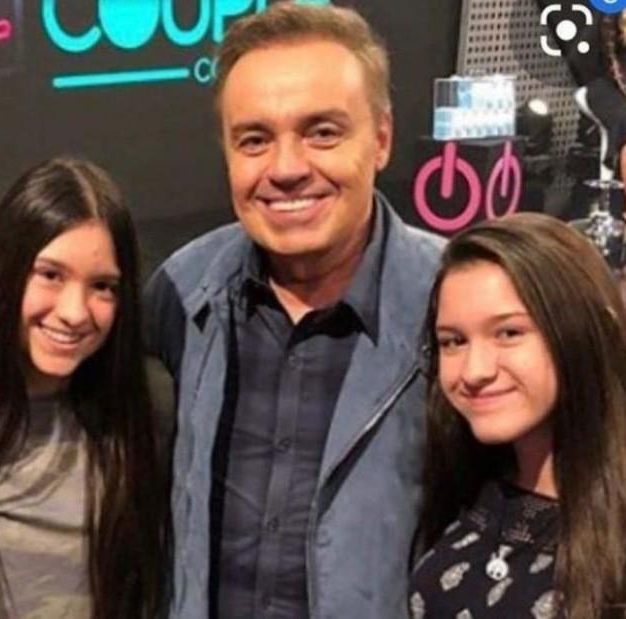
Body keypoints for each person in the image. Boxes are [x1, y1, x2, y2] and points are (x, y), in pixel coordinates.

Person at [144, 3, 444, 618]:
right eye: (254, 140)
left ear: (381, 139)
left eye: (322, 132)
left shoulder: (456, 304)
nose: (285, 169)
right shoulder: (180, 290)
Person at [0, 157, 171, 619]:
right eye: (51, 275)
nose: (75, 312)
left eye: (102, 286)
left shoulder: (148, 407)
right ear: (5, 271)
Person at [410, 213, 626, 619]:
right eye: (453, 341)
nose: (474, 370)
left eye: (509, 333)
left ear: (585, 332)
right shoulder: (467, 484)